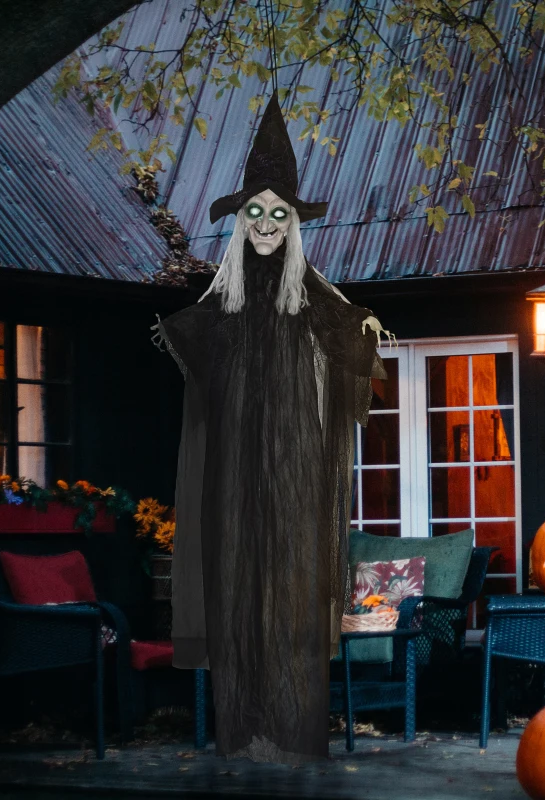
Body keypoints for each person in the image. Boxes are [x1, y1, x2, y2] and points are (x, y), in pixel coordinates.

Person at [154, 92, 391, 764]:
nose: (264, 223)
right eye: (254, 213)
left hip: (291, 473)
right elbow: (193, 338)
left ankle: (287, 731)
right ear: (240, 223)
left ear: (294, 223)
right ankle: (246, 728)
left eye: (276, 214)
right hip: (234, 477)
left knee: (286, 599)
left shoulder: (310, 294)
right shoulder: (223, 301)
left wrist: (364, 332)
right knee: (240, 595)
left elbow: (351, 335)